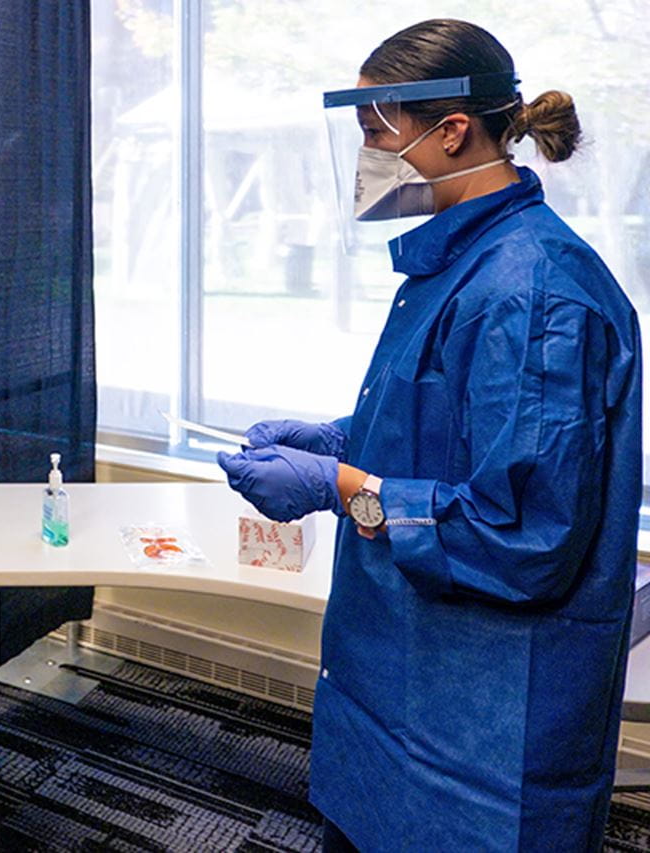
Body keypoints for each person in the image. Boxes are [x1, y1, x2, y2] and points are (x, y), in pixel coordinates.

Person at [218, 20, 641, 852]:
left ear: (452, 132)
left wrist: (336, 486)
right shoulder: (464, 259)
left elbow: (526, 531)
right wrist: (344, 439)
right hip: (409, 662)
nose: (369, 154)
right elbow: (455, 427)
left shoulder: (534, 290)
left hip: (489, 706)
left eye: (379, 131)